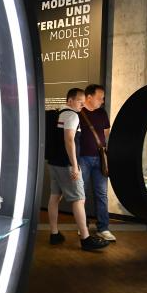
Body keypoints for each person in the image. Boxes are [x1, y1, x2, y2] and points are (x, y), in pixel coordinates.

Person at [46, 88, 108, 251]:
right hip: (66, 164)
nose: (82, 104)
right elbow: (69, 140)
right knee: (79, 199)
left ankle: (54, 234)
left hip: (54, 162)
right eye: (80, 101)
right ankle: (86, 239)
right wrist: (74, 165)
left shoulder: (59, 113)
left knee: (55, 197)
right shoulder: (72, 116)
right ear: (70, 100)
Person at [79, 84, 115, 241]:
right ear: (89, 97)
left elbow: (106, 133)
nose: (102, 101)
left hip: (100, 159)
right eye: (100, 98)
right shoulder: (78, 113)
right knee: (82, 194)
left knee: (102, 194)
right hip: (82, 158)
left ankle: (103, 228)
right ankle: (83, 226)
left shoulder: (102, 113)